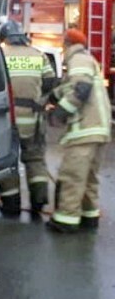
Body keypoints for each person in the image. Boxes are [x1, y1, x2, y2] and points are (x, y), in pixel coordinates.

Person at [47, 28, 111, 233]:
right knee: (89, 177)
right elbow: (68, 87)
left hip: (84, 129)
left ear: (67, 44)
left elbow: (80, 90)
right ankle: (89, 216)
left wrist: (59, 112)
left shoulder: (78, 60)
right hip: (98, 129)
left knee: (72, 175)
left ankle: (66, 220)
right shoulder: (86, 59)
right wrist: (51, 98)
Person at [0, 20, 57, 217]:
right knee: (35, 159)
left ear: (4, 37)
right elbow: (50, 83)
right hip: (33, 119)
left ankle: (11, 205)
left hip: (7, 119)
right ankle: (38, 202)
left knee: (7, 161)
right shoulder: (38, 55)